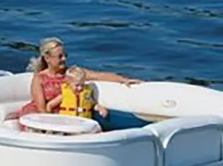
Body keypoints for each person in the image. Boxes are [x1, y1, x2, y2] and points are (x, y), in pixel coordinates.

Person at [7, 37, 140, 121]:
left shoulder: (72, 74)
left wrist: (123, 80)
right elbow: (42, 108)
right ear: (47, 59)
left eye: (65, 55)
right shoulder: (40, 78)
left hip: (70, 117)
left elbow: (99, 75)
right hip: (43, 116)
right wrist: (57, 124)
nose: (64, 59)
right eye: (60, 56)